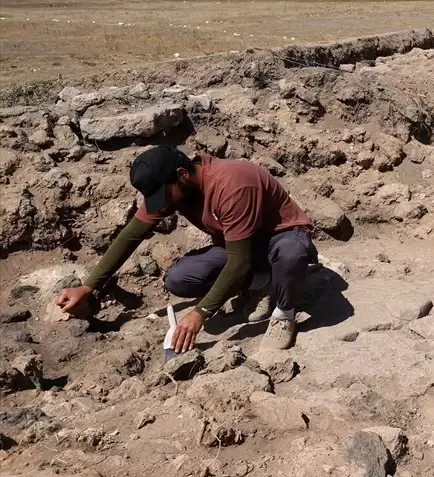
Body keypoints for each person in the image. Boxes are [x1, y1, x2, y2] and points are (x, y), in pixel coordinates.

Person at [55, 146, 317, 352]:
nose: (161, 203)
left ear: (182, 174)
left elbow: (239, 262)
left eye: (164, 195)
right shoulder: (175, 188)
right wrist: (88, 286)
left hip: (280, 238)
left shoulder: (232, 184)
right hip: (241, 247)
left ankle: (284, 313)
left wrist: (200, 312)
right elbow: (131, 235)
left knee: (291, 254)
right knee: (179, 278)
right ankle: (262, 284)